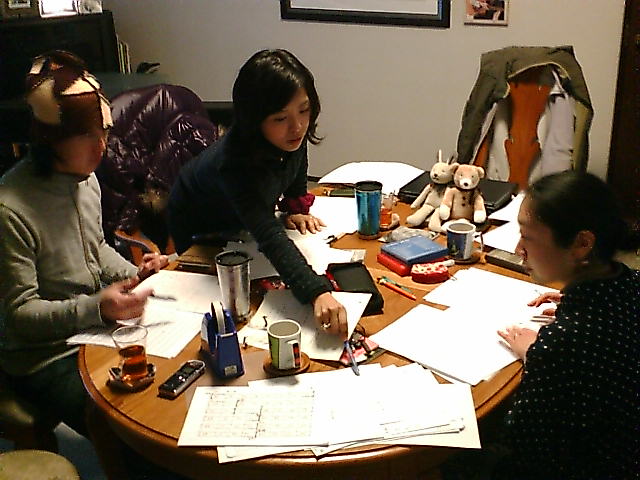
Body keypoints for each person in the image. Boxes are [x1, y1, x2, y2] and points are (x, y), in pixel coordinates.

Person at [0, 50, 170, 438]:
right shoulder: (10, 208)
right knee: (128, 426)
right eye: (87, 136)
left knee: (168, 385)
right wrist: (97, 307)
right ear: (52, 139)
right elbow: (19, 316)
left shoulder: (85, 178)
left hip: (93, 329)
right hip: (44, 356)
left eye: (104, 132)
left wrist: (137, 273)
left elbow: (95, 250)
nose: (102, 146)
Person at [168, 49, 347, 337]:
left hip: (242, 226)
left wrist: (294, 205)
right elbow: (269, 236)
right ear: (254, 120)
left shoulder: (291, 136)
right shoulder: (233, 164)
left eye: (304, 110)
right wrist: (316, 291)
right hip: (202, 232)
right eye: (280, 118)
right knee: (237, 308)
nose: (297, 126)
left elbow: (296, 163)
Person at [495, 171, 639, 479]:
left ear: (582, 244)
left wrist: (535, 354)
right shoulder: (631, 282)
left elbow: (521, 442)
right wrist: (571, 303)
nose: (519, 249)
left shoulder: (560, 345)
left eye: (527, 236)